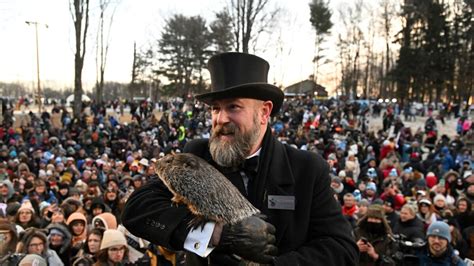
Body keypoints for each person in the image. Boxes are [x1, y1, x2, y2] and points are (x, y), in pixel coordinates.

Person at [122, 52, 358, 265]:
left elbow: (341, 249)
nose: (221, 118)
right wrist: (218, 234)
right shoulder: (196, 155)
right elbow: (137, 210)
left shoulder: (306, 168)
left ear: (264, 112)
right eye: (215, 108)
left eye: (233, 107)